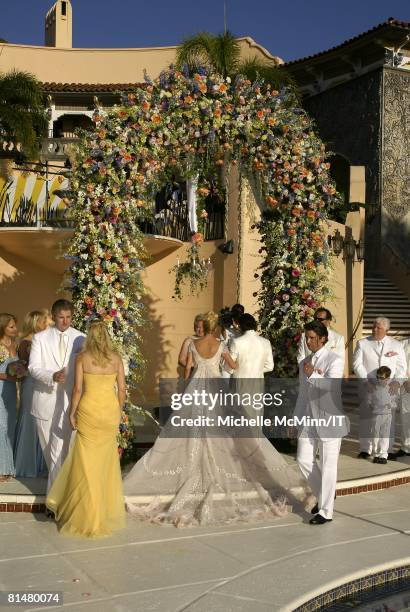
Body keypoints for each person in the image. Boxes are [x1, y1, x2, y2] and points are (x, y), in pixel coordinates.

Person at [124, 311, 308, 527]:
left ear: (204, 326)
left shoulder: (194, 343)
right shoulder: (221, 345)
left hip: (197, 387)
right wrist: (222, 366)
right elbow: (233, 366)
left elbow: (187, 365)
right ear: (216, 326)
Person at [46, 320, 126, 538]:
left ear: (90, 336)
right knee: (104, 462)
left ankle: (86, 513)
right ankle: (100, 511)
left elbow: (78, 389)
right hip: (109, 410)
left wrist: (72, 413)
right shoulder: (116, 359)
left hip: (88, 410)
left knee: (85, 462)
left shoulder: (82, 358)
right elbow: (122, 390)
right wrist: (117, 412)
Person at [28, 299, 85, 491]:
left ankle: (56, 496)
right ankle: (58, 495)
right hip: (45, 399)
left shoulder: (81, 338)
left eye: (68, 317)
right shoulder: (40, 338)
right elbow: (33, 368)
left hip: (70, 402)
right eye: (61, 317)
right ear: (53, 317)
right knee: (49, 452)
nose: (65, 321)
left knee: (64, 450)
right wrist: (52, 375)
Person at [295, 320, 348, 525]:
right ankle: (325, 492)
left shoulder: (334, 360)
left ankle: (326, 511)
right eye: (306, 338)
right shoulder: (304, 361)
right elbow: (302, 393)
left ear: (323, 339)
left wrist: (313, 374)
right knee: (303, 459)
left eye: (311, 338)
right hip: (308, 417)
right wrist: (296, 418)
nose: (308, 342)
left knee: (328, 465)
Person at [353, 317, 406, 459]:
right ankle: (365, 448)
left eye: (379, 328)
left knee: (388, 420)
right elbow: (357, 364)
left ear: (387, 330)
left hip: (389, 389)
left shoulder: (396, 345)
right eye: (373, 327)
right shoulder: (362, 343)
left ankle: (387, 450)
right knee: (366, 417)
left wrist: (397, 382)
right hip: (368, 387)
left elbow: (402, 366)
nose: (375, 329)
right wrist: (366, 381)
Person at [14, 311, 48, 478]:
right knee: (29, 421)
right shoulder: (26, 343)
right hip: (30, 385)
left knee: (39, 421)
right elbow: (24, 368)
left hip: (40, 385)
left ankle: (39, 464)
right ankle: (26, 465)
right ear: (35, 322)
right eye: (43, 321)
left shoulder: (38, 340)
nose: (46, 324)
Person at [0, 313, 19, 481]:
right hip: (0, 390)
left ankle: (8, 467)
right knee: (2, 427)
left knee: (10, 425)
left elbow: (16, 368)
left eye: (15, 326)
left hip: (11, 391)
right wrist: (9, 376)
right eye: (11, 326)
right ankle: (1, 469)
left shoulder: (14, 343)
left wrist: (21, 372)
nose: (15, 329)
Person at [368, 366, 398, 464]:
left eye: (382, 378)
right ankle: (376, 454)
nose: (379, 380)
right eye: (378, 377)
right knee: (375, 434)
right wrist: (371, 405)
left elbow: (395, 402)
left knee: (385, 435)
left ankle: (383, 455)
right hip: (376, 415)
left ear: (388, 378)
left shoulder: (391, 389)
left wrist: (390, 405)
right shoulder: (374, 389)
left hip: (387, 415)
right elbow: (369, 400)